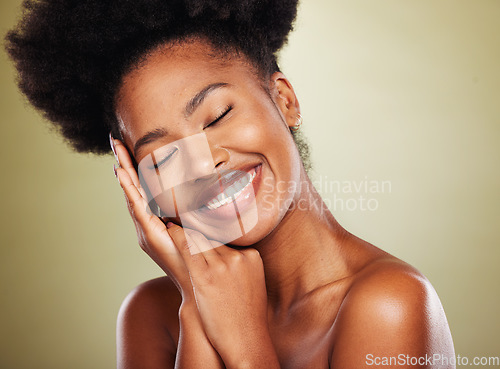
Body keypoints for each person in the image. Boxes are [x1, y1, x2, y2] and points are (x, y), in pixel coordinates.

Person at [5, 0, 455, 367]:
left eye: (217, 116)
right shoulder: (152, 314)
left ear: (285, 100)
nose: (202, 167)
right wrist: (198, 305)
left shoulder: (388, 304)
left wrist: (243, 339)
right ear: (137, 184)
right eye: (163, 158)